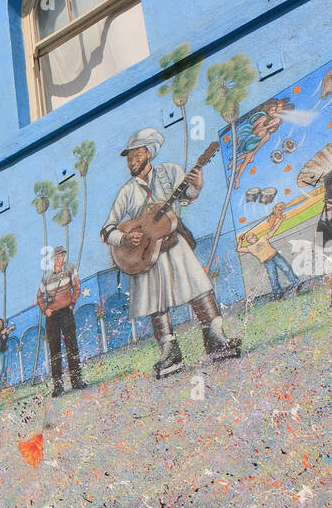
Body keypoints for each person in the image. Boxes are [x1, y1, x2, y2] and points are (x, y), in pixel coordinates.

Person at [101, 127, 242, 378]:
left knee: (199, 289)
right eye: (129, 157)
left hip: (174, 243)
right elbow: (107, 230)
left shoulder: (170, 172)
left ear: (148, 154)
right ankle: (170, 353)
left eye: (136, 155)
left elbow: (187, 195)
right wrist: (125, 237)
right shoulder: (126, 192)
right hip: (146, 254)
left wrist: (196, 185)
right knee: (157, 304)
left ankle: (216, 339)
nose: (132, 161)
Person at [36, 248, 85, 397]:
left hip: (66, 312)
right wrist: (45, 310)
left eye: (62, 255)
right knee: (54, 351)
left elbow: (76, 287)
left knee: (72, 346)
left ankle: (76, 380)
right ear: (52, 258)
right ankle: (58, 386)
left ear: (64, 256)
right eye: (57, 256)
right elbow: (39, 296)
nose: (60, 258)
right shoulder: (46, 277)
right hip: (51, 317)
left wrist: (72, 304)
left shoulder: (70, 269)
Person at [0, 317, 16, 390]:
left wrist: (7, 334)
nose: (0, 325)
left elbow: (4, 341)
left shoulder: (3, 331)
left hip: (5, 351)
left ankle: (4, 383)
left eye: (1, 323)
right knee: (0, 369)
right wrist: (2, 333)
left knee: (5, 368)